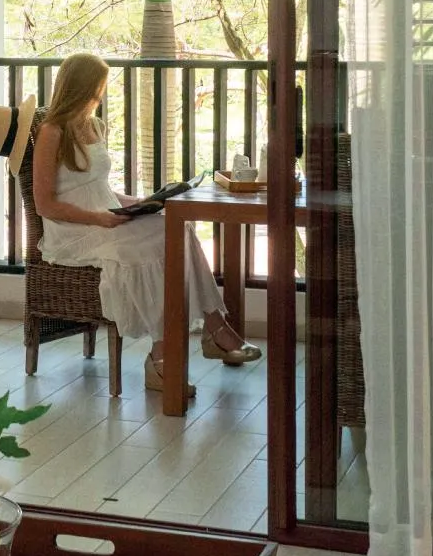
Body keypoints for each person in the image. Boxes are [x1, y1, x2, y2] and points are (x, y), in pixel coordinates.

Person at [32, 52, 261, 394]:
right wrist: (98, 218)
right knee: (156, 243)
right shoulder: (52, 132)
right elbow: (45, 204)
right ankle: (183, 347)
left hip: (105, 219)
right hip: (74, 232)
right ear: (79, 87)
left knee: (176, 226)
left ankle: (204, 333)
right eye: (96, 88)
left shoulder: (94, 126)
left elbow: (99, 190)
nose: (100, 95)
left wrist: (143, 203)